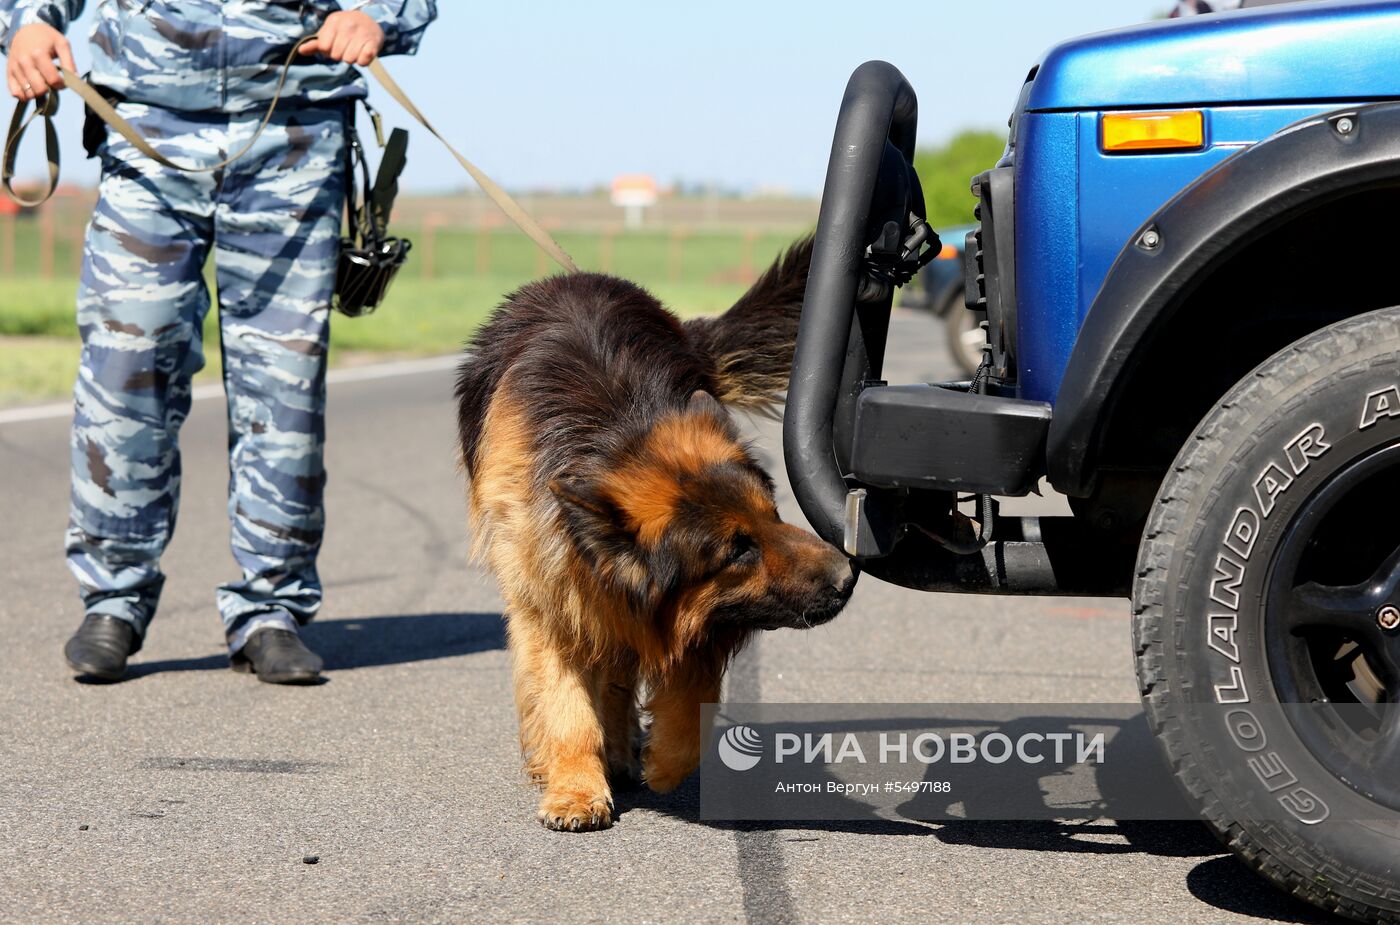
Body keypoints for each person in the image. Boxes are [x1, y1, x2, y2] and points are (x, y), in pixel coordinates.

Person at [0, 0, 437, 683]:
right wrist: (28, 19)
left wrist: (378, 14)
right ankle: (113, 596)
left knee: (283, 385)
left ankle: (272, 610)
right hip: (144, 123)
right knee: (125, 369)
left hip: (294, 124)